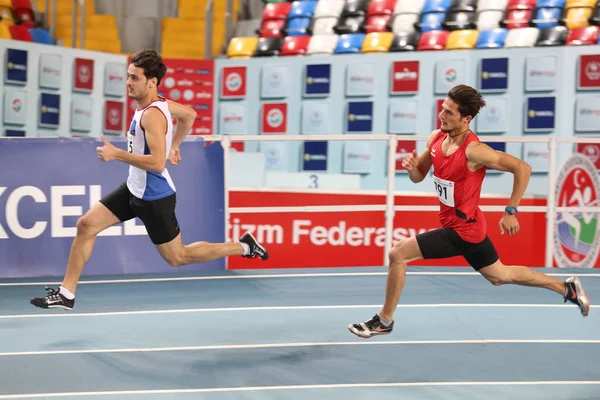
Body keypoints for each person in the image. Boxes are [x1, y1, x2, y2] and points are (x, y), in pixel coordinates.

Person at [30, 50, 268, 311]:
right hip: (133, 189)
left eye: (134, 78)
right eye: (128, 76)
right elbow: (189, 114)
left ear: (152, 82)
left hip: (155, 197)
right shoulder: (158, 105)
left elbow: (156, 163)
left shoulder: (152, 115)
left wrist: (117, 154)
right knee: (86, 225)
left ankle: (243, 246)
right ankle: (66, 294)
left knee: (179, 257)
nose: (128, 83)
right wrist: (175, 145)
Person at [348, 84, 590, 339]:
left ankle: (384, 320)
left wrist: (511, 210)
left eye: (449, 113)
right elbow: (419, 176)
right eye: (442, 109)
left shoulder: (475, 150)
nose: (442, 116)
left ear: (466, 118)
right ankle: (566, 287)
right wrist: (411, 168)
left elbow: (523, 168)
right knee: (500, 275)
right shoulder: (436, 138)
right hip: (469, 227)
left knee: (398, 253)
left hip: (463, 231)